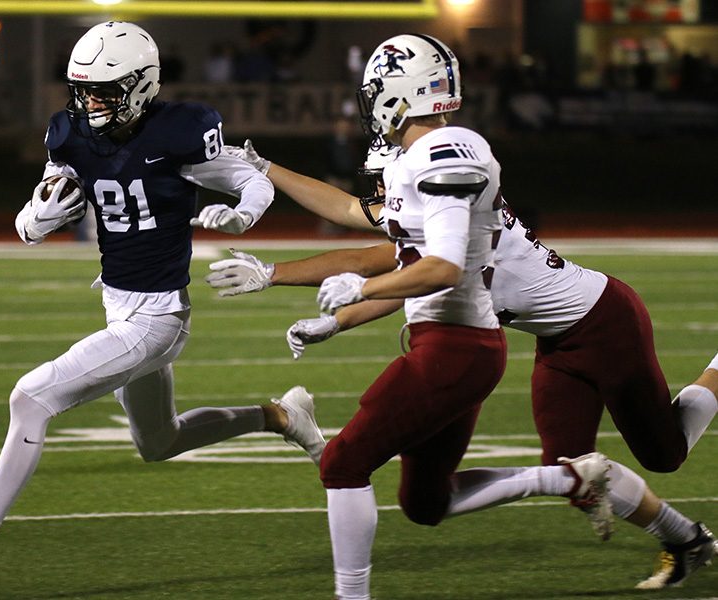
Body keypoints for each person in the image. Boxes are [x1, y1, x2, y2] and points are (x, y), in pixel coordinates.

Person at [0, 21, 326, 585]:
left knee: (30, 398)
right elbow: (33, 215)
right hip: (118, 307)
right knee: (160, 441)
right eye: (85, 90)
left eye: (106, 90)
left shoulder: (179, 132)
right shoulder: (71, 134)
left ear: (143, 84)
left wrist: (241, 213)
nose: (92, 102)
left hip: (157, 317)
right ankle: (282, 417)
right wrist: (38, 220)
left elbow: (254, 181)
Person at [207, 127, 718, 592]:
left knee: (664, 453)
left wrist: (291, 281)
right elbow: (363, 231)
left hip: (606, 323)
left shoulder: (456, 223)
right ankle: (688, 541)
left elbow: (379, 265)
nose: (380, 199)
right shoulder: (432, 216)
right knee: (572, 471)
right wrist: (333, 317)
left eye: (386, 186)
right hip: (557, 342)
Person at [224, 34, 615, 600]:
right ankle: (567, 478)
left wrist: (362, 284)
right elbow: (346, 210)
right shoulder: (420, 159)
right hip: (455, 344)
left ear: (398, 94)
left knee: (342, 463)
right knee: (425, 502)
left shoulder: (443, 151)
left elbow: (441, 268)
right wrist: (265, 166)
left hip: (455, 346)